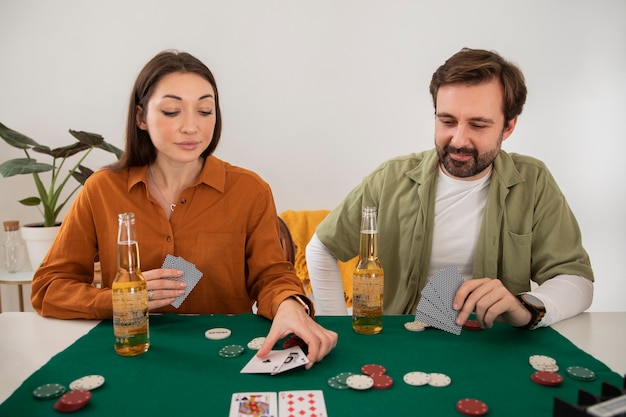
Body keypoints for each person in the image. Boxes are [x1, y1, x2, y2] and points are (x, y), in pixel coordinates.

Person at [30, 49, 337, 367]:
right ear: (141, 117)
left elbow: (272, 276)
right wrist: (122, 300)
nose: (191, 127)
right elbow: (49, 288)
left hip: (228, 358)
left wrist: (289, 303)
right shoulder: (101, 190)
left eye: (205, 111)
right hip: (131, 354)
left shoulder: (250, 190)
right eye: (172, 111)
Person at [306, 47, 594, 330]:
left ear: (508, 127)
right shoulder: (390, 178)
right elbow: (322, 248)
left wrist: (526, 307)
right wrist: (338, 329)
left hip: (491, 346)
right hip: (398, 341)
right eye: (447, 121)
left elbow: (576, 279)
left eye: (478, 125)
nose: (458, 140)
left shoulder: (534, 181)